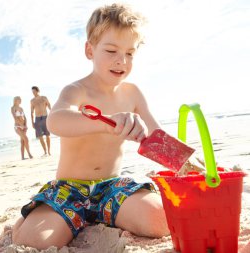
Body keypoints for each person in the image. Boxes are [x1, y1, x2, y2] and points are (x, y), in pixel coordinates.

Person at [12, 3, 169, 250]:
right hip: (69, 189)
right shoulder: (77, 90)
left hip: (111, 188)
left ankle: (102, 216)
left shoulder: (133, 93)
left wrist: (188, 168)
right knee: (33, 242)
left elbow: (160, 141)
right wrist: (105, 123)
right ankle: (38, 215)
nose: (121, 61)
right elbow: (55, 121)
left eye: (130, 53)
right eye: (111, 50)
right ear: (89, 50)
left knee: (162, 221)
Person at [30, 86, 52, 156]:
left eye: (34, 91)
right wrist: (32, 122)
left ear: (37, 91)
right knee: (40, 137)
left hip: (45, 117)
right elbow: (31, 112)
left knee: (48, 135)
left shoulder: (44, 98)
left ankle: (49, 151)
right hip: (38, 119)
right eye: (32, 92)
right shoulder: (32, 101)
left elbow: (49, 106)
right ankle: (45, 151)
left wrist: (51, 115)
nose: (33, 93)